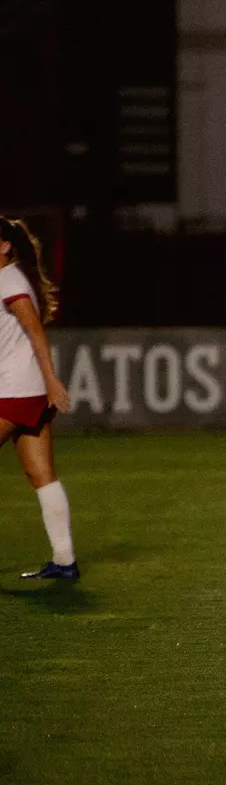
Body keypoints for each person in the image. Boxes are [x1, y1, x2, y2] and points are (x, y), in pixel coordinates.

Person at [0, 217, 77, 580]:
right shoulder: (9, 278)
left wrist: (51, 381)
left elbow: (35, 334)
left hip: (14, 391)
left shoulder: (9, 281)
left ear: (5, 246)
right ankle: (64, 561)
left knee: (42, 474)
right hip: (23, 389)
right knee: (41, 474)